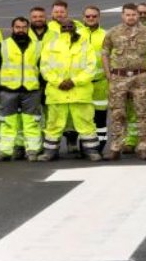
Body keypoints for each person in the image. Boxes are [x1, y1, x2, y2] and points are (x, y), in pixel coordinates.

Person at [102, 3, 146, 161]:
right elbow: (105, 53)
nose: (131, 17)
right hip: (118, 78)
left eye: (134, 14)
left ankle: (144, 147)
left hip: (139, 77)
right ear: (122, 15)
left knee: (144, 113)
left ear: (138, 15)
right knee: (117, 113)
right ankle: (115, 148)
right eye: (128, 15)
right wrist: (108, 74)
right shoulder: (113, 32)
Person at [39, 19, 101, 162]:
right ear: (60, 29)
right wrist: (58, 82)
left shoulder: (85, 45)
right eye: (64, 26)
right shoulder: (51, 45)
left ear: (75, 28)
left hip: (79, 93)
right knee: (53, 124)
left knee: (86, 124)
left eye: (70, 26)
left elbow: (91, 68)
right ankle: (50, 152)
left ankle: (91, 151)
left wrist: (74, 81)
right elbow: (45, 67)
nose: (67, 28)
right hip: (57, 93)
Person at [0, 16, 44, 161]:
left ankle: (32, 150)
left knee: (32, 123)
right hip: (8, 91)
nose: (21, 30)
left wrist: (42, 89)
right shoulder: (2, 46)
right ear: (12, 28)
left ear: (28, 28)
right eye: (18, 27)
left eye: (24, 27)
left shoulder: (38, 46)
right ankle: (5, 151)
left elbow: (43, 69)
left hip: (31, 91)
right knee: (7, 123)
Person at [78, 5, 109, 149]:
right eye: (88, 16)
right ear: (83, 18)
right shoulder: (76, 34)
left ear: (99, 17)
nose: (91, 18)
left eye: (94, 16)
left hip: (101, 83)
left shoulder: (106, 35)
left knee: (100, 117)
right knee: (83, 117)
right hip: (82, 84)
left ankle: (101, 144)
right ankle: (84, 146)